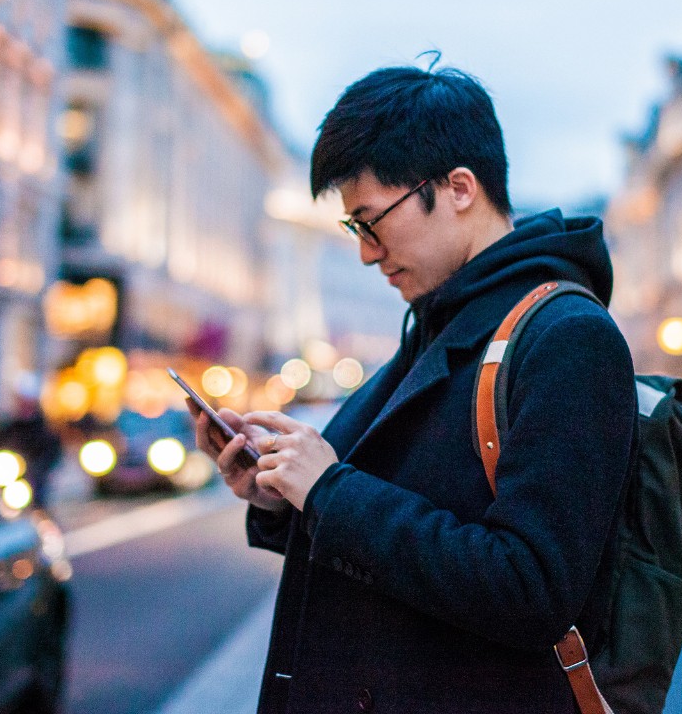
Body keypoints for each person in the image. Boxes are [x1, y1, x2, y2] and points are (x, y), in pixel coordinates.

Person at [189, 64, 637, 714]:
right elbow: (371, 542)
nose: (367, 253)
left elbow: (532, 588)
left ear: (458, 187)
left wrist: (330, 489)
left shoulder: (565, 335)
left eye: (372, 220)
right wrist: (280, 492)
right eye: (354, 228)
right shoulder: (434, 322)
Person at [0, 379, 63, 509]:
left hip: (33, 482)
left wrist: (35, 470)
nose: (23, 404)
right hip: (7, 479)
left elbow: (52, 454)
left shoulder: (44, 429)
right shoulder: (7, 427)